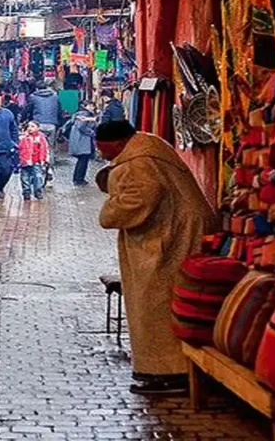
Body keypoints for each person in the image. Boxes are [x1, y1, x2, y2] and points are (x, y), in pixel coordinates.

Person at [95, 121, 216, 395]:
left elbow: (137, 200)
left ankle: (169, 371)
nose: (101, 154)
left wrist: (108, 212)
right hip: (177, 234)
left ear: (117, 143)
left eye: (103, 149)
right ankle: (170, 368)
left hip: (167, 240)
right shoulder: (150, 148)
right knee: (167, 301)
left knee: (156, 303)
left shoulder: (137, 162)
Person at [23, 80, 62, 151]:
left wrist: (23, 119)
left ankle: (38, 160)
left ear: (36, 89)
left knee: (36, 145)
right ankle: (50, 161)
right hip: (52, 124)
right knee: (50, 147)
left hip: (38, 124)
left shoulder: (33, 97)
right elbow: (59, 110)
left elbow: (27, 110)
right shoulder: (55, 96)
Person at [18, 121, 49, 201]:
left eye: (33, 126)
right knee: (25, 177)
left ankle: (38, 191)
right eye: (28, 126)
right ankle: (26, 192)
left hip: (36, 161)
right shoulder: (23, 137)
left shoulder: (41, 138)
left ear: (38, 128)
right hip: (25, 161)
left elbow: (44, 149)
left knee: (38, 176)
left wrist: (45, 159)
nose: (30, 128)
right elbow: (20, 148)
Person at [67, 102, 97, 185]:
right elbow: (81, 126)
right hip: (83, 140)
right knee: (83, 159)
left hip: (79, 139)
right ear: (85, 106)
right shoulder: (85, 114)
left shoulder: (80, 113)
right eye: (90, 106)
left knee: (82, 159)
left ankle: (77, 178)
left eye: (93, 106)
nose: (92, 107)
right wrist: (92, 133)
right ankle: (79, 179)